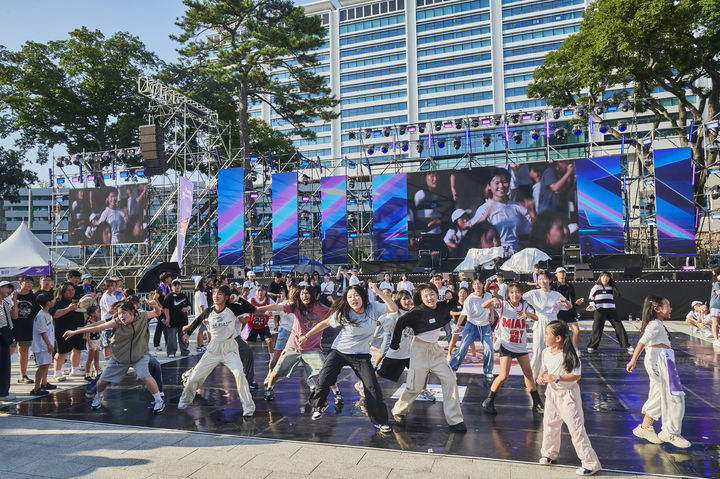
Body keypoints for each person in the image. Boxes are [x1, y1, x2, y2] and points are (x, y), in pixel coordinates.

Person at [301, 282, 396, 432]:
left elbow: (393, 308)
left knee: (371, 386)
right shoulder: (343, 313)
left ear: (363, 297)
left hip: (361, 354)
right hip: (339, 351)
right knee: (324, 378)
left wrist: (378, 291)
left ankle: (380, 421)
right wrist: (306, 336)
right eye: (350, 297)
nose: (353, 299)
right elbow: (325, 323)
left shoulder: (373, 308)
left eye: (356, 295)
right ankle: (320, 404)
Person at [65, 299, 165, 412]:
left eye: (124, 313)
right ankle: (98, 396)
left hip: (139, 355)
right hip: (120, 357)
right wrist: (75, 332)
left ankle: (158, 400)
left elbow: (157, 313)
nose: (121, 316)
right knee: (102, 382)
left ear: (132, 312)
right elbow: (97, 328)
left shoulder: (141, 316)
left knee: (144, 375)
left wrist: (156, 305)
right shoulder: (116, 321)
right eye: (119, 313)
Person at [390, 283, 466, 431]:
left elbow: (457, 301)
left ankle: (455, 420)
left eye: (432, 294)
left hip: (436, 351)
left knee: (450, 380)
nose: (430, 298)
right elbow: (400, 322)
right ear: (421, 298)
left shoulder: (443, 306)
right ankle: (399, 410)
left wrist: (452, 294)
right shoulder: (417, 312)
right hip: (419, 351)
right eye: (426, 296)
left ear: (438, 295)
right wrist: (394, 343)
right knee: (415, 387)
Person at [179, 285, 256, 414]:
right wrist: (188, 333)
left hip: (229, 348)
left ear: (226, 297)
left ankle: (249, 408)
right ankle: (186, 399)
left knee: (239, 375)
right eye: (214, 293)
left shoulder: (232, 308)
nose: (216, 296)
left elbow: (251, 309)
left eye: (219, 294)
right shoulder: (209, 311)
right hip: (213, 348)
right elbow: (197, 320)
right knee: (194, 378)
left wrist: (238, 298)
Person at [537, 320, 601, 476]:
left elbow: (576, 376)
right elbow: (544, 370)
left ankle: (590, 463)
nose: (544, 336)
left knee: (576, 428)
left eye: (547, 334)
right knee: (550, 424)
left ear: (558, 338)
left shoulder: (570, 354)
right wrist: (541, 377)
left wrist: (557, 377)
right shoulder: (546, 352)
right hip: (552, 394)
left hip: (568, 396)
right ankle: (549, 453)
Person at [626, 295, 691, 448]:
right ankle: (670, 432)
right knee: (675, 396)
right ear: (657, 309)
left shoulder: (656, 323)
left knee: (659, 396)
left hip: (662, 359)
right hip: (660, 360)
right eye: (667, 306)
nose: (671, 309)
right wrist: (633, 360)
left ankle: (645, 428)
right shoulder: (655, 324)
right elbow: (642, 342)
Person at [258, 285, 341, 403]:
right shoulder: (295, 306)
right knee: (277, 370)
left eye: (307, 293)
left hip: (312, 348)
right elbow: (277, 306)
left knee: (325, 372)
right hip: (293, 346)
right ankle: (269, 389)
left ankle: (337, 393)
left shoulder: (320, 308)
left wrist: (332, 301)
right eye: (302, 294)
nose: (305, 296)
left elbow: (336, 312)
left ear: (313, 295)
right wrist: (259, 308)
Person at [482, 282, 544, 415]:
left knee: (528, 374)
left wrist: (528, 314)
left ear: (521, 293)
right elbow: (483, 305)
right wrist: (493, 299)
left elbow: (537, 318)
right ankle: (489, 400)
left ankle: (537, 403)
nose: (515, 294)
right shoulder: (504, 305)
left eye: (517, 292)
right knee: (503, 375)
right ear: (508, 294)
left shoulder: (525, 305)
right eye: (512, 292)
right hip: (507, 345)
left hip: (520, 346)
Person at [470, 168, 532, 254]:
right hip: (495, 256)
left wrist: (532, 211)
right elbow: (471, 229)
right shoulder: (484, 208)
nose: (501, 186)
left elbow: (529, 230)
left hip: (516, 255)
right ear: (489, 186)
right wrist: (483, 219)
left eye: (505, 182)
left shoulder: (517, 207)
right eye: (497, 183)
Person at [523, 271, 571, 379]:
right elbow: (520, 298)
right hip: (540, 322)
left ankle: (553, 375)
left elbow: (568, 307)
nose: (542, 281)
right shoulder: (534, 293)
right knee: (538, 351)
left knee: (555, 350)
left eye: (544, 279)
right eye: (539, 279)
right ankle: (532, 378)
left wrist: (566, 301)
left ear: (550, 280)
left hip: (553, 323)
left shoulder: (556, 294)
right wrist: (529, 312)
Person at [449, 279, 494, 378]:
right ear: (472, 286)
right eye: (475, 284)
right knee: (463, 348)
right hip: (472, 326)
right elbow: (463, 315)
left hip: (485, 326)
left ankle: (488, 371)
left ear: (483, 285)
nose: (477, 286)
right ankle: (452, 368)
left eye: (479, 283)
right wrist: (457, 326)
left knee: (489, 349)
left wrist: (491, 316)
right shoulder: (469, 299)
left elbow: (491, 307)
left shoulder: (488, 296)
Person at [586, 272, 632, 353]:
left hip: (611, 310)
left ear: (610, 278)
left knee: (619, 327)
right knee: (597, 328)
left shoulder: (612, 287)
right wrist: (592, 305)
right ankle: (592, 346)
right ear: (600, 278)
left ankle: (626, 345)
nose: (605, 278)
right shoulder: (596, 287)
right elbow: (590, 298)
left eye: (607, 277)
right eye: (603, 277)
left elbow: (617, 295)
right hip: (599, 310)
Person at [50, 282, 86, 380]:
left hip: (78, 328)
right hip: (63, 329)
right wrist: (68, 309)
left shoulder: (77, 301)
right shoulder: (58, 301)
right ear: (62, 291)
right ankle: (57, 372)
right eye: (68, 290)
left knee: (77, 349)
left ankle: (75, 369)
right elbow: (55, 314)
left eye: (72, 290)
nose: (71, 292)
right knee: (62, 352)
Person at [29, 293, 56, 396]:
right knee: (42, 366)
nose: (54, 301)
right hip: (42, 346)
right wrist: (49, 345)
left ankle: (44, 383)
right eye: (52, 300)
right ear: (48, 303)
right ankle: (36, 388)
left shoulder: (47, 314)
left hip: (47, 345)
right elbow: (42, 332)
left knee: (46, 364)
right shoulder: (41, 316)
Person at [14, 276, 38, 384]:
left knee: (24, 351)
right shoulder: (13, 295)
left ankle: (23, 375)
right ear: (20, 283)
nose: (29, 284)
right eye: (27, 282)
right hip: (12, 327)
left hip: (27, 327)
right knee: (7, 352)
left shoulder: (34, 297)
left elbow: (36, 313)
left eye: (31, 283)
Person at [553, 267, 584, 350]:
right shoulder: (553, 286)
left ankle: (575, 349)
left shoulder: (570, 285)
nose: (562, 274)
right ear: (556, 275)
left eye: (563, 272)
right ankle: (558, 349)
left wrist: (576, 303)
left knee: (576, 331)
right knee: (559, 333)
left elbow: (572, 300)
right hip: (558, 312)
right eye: (560, 272)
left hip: (569, 311)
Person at [162, 279, 191, 358]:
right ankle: (171, 352)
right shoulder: (169, 296)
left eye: (178, 285)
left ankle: (184, 351)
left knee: (183, 337)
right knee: (171, 338)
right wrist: (167, 319)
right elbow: (166, 309)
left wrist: (186, 308)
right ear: (172, 287)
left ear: (181, 286)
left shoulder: (184, 296)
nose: (177, 287)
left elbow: (189, 305)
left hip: (183, 321)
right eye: (175, 285)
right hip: (172, 321)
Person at [0, 281, 18, 401]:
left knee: (5, 365)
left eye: (12, 289)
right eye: (8, 287)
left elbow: (15, 316)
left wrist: (14, 301)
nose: (10, 291)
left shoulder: (6, 302)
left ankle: (3, 392)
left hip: (5, 335)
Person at [247, 285, 275, 356]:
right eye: (258, 290)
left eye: (262, 290)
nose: (260, 292)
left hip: (263, 325)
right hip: (252, 325)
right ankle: (242, 357)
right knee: (246, 343)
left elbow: (276, 307)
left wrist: (271, 313)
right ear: (255, 292)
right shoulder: (251, 300)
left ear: (265, 291)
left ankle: (272, 358)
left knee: (270, 341)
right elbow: (243, 309)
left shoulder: (269, 300)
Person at [99, 278, 120, 360]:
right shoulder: (105, 297)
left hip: (113, 322)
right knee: (106, 344)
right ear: (107, 287)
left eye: (115, 286)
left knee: (112, 343)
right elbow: (110, 311)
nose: (114, 288)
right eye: (111, 286)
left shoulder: (113, 296)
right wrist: (118, 310)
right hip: (107, 322)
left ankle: (112, 359)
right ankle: (107, 360)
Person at [152, 272, 172, 351]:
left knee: (166, 326)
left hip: (166, 311)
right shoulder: (160, 288)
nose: (171, 279)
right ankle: (156, 344)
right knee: (160, 326)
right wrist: (161, 307)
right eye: (170, 278)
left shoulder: (168, 288)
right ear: (166, 279)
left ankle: (168, 343)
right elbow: (155, 298)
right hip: (160, 311)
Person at [83, 305, 102, 380]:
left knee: (97, 358)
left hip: (97, 340)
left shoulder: (96, 322)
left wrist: (100, 342)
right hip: (92, 341)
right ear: (92, 314)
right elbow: (87, 333)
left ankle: (97, 372)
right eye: (97, 311)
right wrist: (89, 343)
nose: (99, 313)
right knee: (90, 358)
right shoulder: (89, 323)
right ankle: (87, 374)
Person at [193, 277, 209, 354]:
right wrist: (204, 317)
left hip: (201, 315)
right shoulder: (199, 293)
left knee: (201, 331)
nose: (205, 283)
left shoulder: (200, 293)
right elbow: (201, 306)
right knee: (200, 331)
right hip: (201, 316)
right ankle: (199, 346)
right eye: (204, 282)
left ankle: (201, 345)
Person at [709, 266, 720, 346]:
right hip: (716, 305)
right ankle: (716, 340)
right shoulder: (717, 284)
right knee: (715, 323)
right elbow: (718, 292)